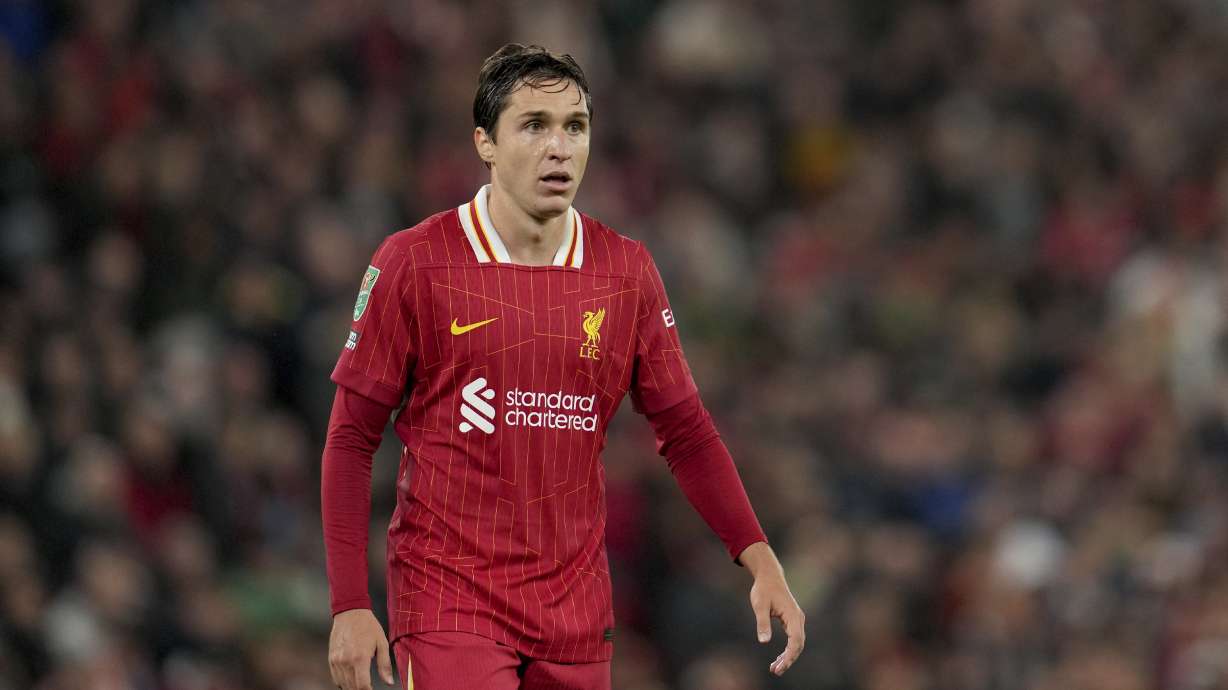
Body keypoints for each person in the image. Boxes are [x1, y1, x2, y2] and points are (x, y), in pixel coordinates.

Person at [321, 43, 805, 690]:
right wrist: (351, 603)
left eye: (575, 126)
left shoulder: (625, 271)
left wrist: (759, 557)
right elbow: (352, 436)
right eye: (534, 125)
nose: (560, 146)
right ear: (485, 143)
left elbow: (685, 430)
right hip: (449, 605)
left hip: (575, 618)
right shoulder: (417, 262)